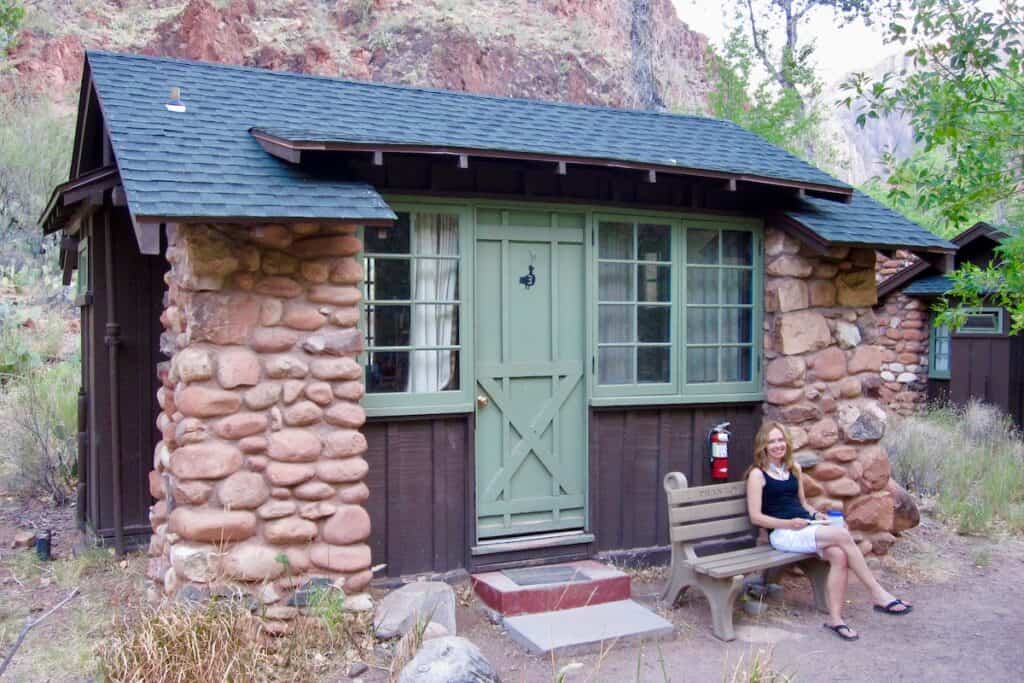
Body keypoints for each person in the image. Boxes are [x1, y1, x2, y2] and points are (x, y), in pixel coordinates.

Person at [745, 421, 912, 641]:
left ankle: (836, 619)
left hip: (805, 527)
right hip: (783, 533)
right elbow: (755, 516)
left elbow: (803, 505)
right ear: (763, 446)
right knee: (842, 535)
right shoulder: (758, 475)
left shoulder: (793, 468)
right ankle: (877, 593)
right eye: (772, 441)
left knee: (839, 555)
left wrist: (817, 516)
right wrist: (789, 524)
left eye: (780, 439)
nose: (778, 445)